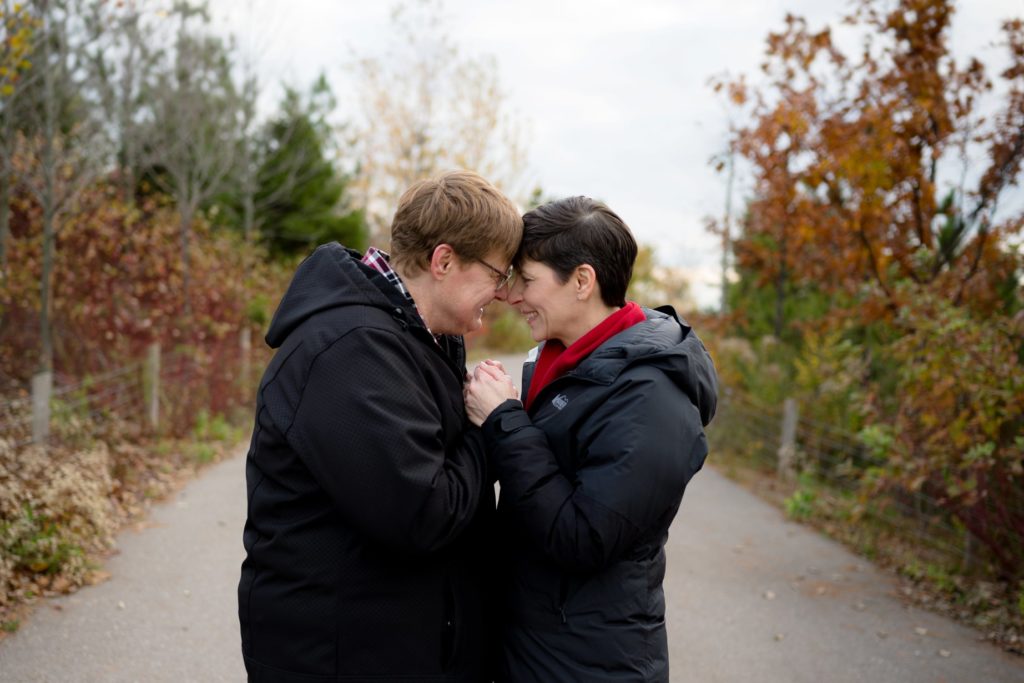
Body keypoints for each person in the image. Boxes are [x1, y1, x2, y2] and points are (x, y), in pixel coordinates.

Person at [238, 170, 522, 682]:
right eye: (497, 274)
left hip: (389, 647)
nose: (501, 293)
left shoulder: (420, 334)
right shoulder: (349, 349)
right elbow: (423, 513)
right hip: (336, 656)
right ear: (444, 260)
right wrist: (489, 426)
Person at [464, 196, 718, 683]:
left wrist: (503, 420)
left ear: (582, 281)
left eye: (528, 279)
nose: (510, 295)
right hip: (534, 640)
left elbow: (584, 538)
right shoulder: (558, 360)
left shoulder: (650, 395)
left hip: (591, 659)